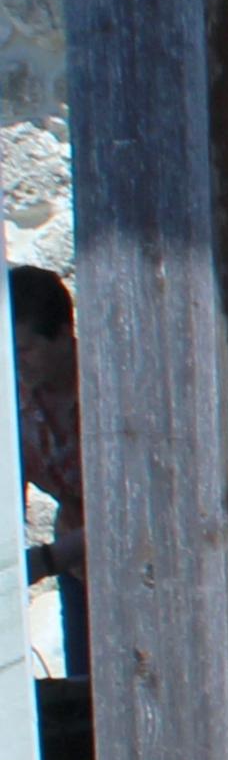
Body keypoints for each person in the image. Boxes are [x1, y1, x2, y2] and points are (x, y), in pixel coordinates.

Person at [12, 262, 80, 674]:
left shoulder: (110, 388)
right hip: (75, 564)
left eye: (24, 350)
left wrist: (44, 562)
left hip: (140, 569)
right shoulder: (15, 398)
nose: (16, 363)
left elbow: (129, 513)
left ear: (62, 335)